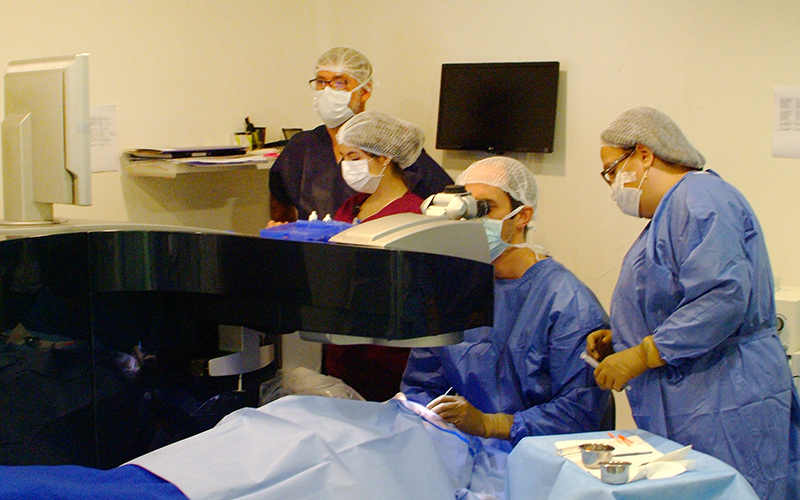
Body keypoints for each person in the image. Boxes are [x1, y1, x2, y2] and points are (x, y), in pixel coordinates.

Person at [587, 106, 800, 500]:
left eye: (612, 171)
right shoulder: (672, 211)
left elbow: (720, 299)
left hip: (726, 393)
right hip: (700, 394)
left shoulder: (700, 198)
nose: (613, 184)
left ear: (644, 154)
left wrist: (643, 354)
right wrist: (623, 337)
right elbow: (675, 299)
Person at [401, 156, 611, 450]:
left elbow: (578, 411)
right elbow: (422, 386)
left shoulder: (568, 303)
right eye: (465, 208)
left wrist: (492, 425)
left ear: (522, 216)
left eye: (485, 208)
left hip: (538, 459)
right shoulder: (451, 289)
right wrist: (438, 428)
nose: (471, 221)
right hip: (461, 452)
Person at [268, 47, 452, 222]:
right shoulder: (302, 147)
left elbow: (445, 201)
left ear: (364, 91)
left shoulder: (390, 145)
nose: (327, 90)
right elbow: (279, 196)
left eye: (339, 83)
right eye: (321, 82)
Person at [320, 110, 429, 401]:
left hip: (385, 358)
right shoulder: (351, 206)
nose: (346, 165)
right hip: (342, 350)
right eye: (343, 157)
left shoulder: (413, 215)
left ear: (384, 159)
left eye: (354, 157)